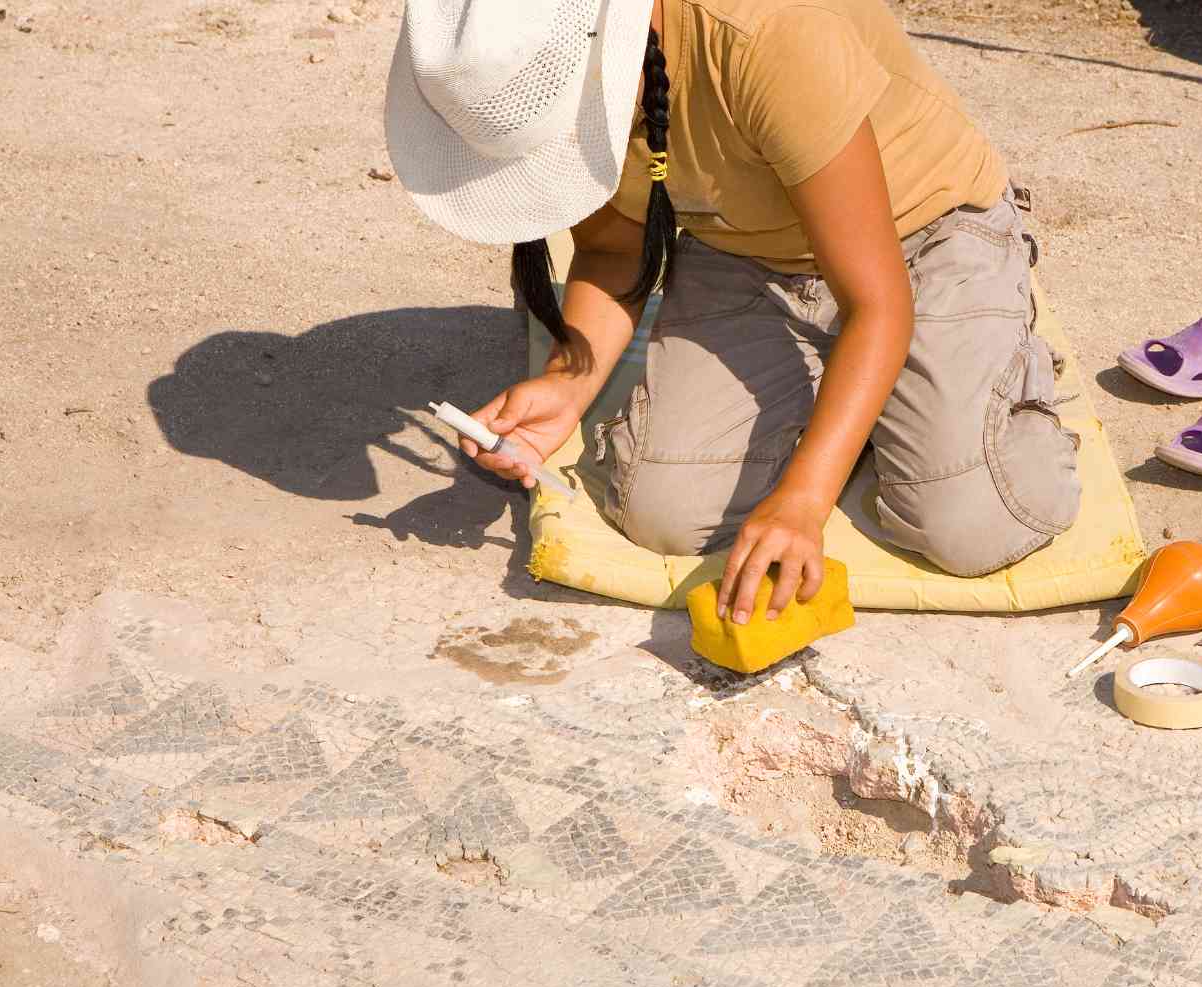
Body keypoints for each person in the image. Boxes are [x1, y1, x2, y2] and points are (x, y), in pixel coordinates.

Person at [385, 0, 1079, 625]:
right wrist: (569, 382)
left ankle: (990, 360)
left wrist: (804, 500)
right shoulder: (559, 71)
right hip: (745, 247)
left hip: (920, 236)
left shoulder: (764, 30)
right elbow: (611, 250)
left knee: (963, 522)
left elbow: (877, 303)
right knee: (662, 513)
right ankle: (878, 407)